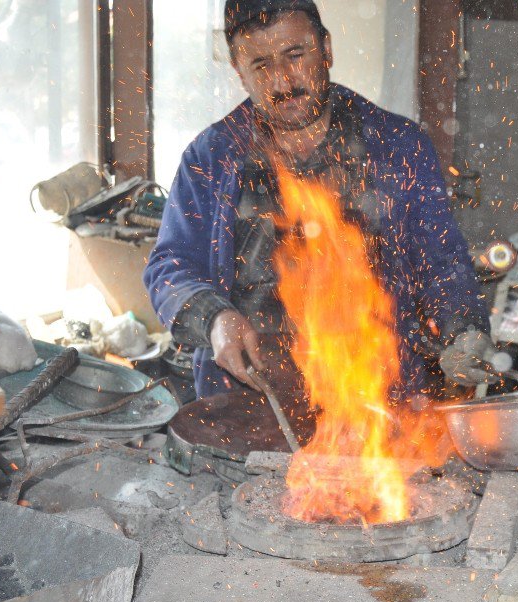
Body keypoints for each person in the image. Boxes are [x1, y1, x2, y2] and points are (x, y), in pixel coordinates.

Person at [143, 0, 497, 417]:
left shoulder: (398, 145)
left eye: (296, 55)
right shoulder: (211, 157)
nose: (282, 80)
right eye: (261, 65)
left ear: (325, 49)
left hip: (376, 402)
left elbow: (441, 261)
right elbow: (169, 266)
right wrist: (214, 318)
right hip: (249, 405)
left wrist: (464, 328)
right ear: (240, 74)